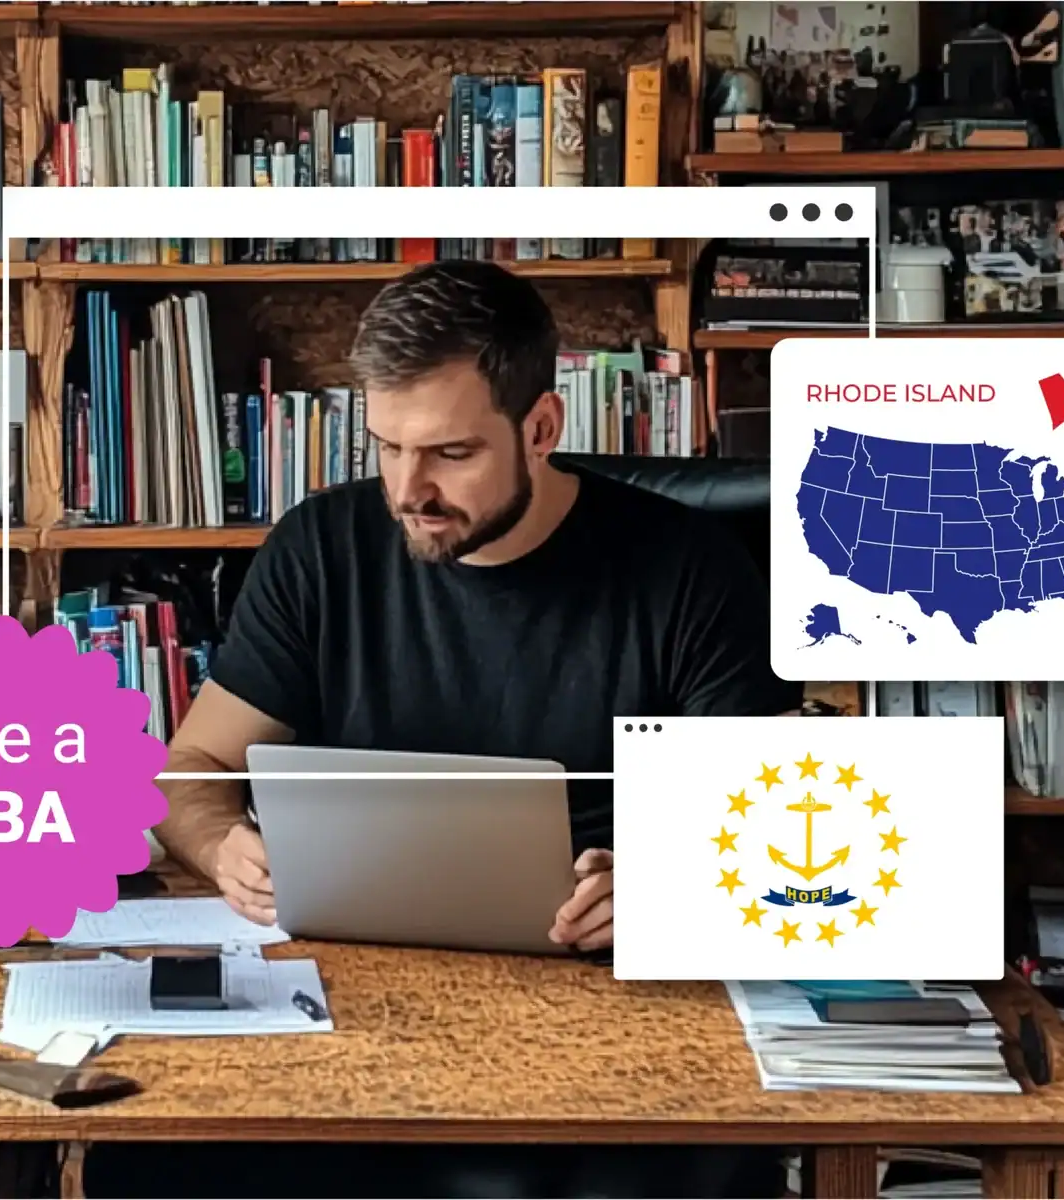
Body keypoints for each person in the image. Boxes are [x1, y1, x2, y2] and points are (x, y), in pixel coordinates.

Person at [89, 261, 800, 1199]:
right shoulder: (321, 549)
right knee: (145, 1164)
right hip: (349, 1002)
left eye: (450, 454)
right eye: (386, 446)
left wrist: (673, 888)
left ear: (540, 429)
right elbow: (191, 764)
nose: (407, 489)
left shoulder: (690, 573)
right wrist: (222, 846)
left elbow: (780, 841)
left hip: (610, 1011)